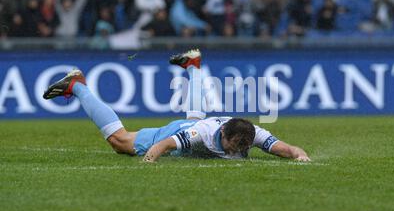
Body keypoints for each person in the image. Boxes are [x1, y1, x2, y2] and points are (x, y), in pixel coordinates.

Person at [42, 49, 311, 163]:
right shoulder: (202, 134)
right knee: (120, 142)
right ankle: (77, 85)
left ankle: (193, 66)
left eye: (243, 146)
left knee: (195, 117)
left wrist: (300, 156)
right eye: (235, 145)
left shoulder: (252, 134)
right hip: (181, 129)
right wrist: (149, 161)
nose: (239, 151)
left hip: (197, 123)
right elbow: (166, 145)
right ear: (222, 135)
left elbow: (288, 149)